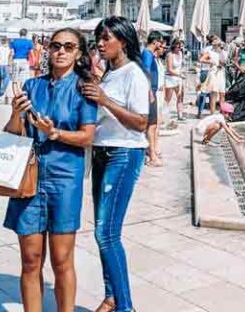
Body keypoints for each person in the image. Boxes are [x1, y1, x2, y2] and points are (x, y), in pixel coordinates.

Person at [3, 26, 97, 312]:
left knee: (61, 260)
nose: (61, 51)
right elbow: (12, 135)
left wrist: (55, 133)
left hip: (64, 179)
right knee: (30, 259)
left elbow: (87, 136)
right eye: (56, 45)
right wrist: (16, 114)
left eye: (69, 47)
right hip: (29, 178)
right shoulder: (33, 86)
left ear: (79, 53)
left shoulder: (83, 89)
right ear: (47, 49)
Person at [79, 16, 150, 312]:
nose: (101, 42)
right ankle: (111, 296)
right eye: (99, 37)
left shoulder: (134, 73)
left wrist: (106, 101)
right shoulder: (109, 73)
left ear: (123, 40)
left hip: (124, 153)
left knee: (106, 233)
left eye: (107, 37)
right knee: (102, 229)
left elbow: (141, 122)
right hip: (102, 152)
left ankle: (125, 306)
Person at [140, 32, 164, 167]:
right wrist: (149, 91)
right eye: (160, 42)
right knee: (151, 125)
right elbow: (146, 72)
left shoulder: (149, 54)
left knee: (153, 124)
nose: (161, 45)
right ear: (155, 42)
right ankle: (152, 156)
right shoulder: (147, 54)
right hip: (150, 93)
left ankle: (152, 151)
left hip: (152, 92)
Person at [198, 36, 227, 115]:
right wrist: (210, 62)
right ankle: (212, 114)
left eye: (219, 44)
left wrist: (222, 63)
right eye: (217, 44)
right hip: (213, 73)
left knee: (222, 94)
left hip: (221, 73)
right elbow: (201, 59)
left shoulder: (222, 52)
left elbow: (224, 62)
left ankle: (222, 113)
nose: (218, 46)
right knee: (213, 94)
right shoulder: (210, 52)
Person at [160, 38, 185, 127]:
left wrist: (181, 73)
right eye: (178, 46)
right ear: (174, 46)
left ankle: (180, 115)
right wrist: (179, 74)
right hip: (170, 78)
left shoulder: (181, 54)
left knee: (180, 96)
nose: (180, 48)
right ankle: (163, 116)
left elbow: (180, 66)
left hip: (178, 78)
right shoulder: (170, 55)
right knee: (168, 99)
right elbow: (169, 69)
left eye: (181, 47)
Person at [0, 38, 12, 103]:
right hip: (6, 66)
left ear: (2, 41)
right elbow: (10, 58)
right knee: (6, 81)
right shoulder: (10, 49)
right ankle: (2, 93)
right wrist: (10, 66)